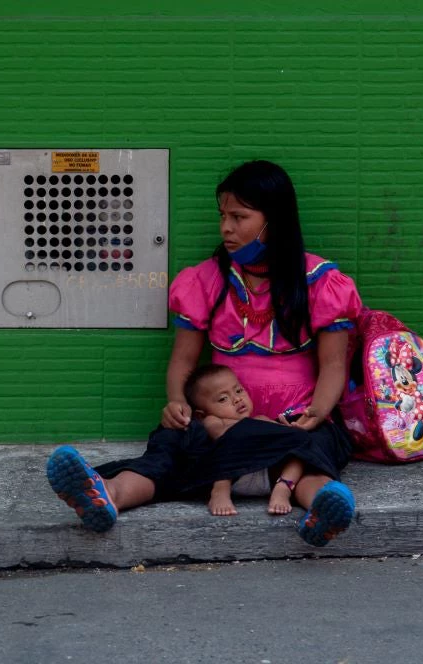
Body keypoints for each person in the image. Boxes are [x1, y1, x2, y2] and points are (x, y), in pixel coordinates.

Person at [46, 159, 361, 547]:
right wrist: (177, 402)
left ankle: (323, 510)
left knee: (309, 453)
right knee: (170, 447)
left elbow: (333, 365)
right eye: (222, 216)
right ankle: (108, 494)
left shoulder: (319, 282)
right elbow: (183, 360)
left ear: (273, 220)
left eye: (239, 217)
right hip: (220, 422)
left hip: (290, 420)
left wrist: (316, 414)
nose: (226, 228)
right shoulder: (206, 280)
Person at [181, 364, 304, 518]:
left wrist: (289, 431)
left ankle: (284, 487)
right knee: (229, 440)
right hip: (231, 476)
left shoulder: (261, 419)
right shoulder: (212, 420)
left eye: (238, 391)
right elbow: (223, 434)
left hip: (266, 474)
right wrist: (256, 431)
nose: (237, 399)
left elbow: (284, 439)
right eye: (223, 399)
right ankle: (219, 491)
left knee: (301, 448)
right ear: (201, 415)